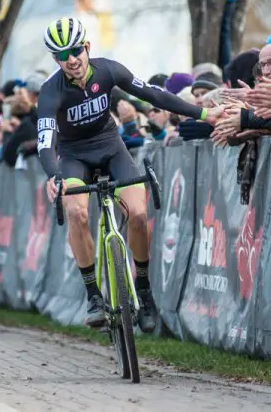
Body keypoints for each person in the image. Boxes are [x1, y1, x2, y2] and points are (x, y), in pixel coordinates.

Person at [37, 17, 222, 331]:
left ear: (87, 47)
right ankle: (93, 294)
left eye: (76, 50)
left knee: (137, 214)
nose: (72, 59)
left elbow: (155, 95)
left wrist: (205, 113)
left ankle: (144, 290)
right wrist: (54, 175)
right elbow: (45, 142)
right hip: (73, 157)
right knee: (77, 214)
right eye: (63, 55)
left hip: (111, 148)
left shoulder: (108, 70)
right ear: (56, 59)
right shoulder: (50, 92)